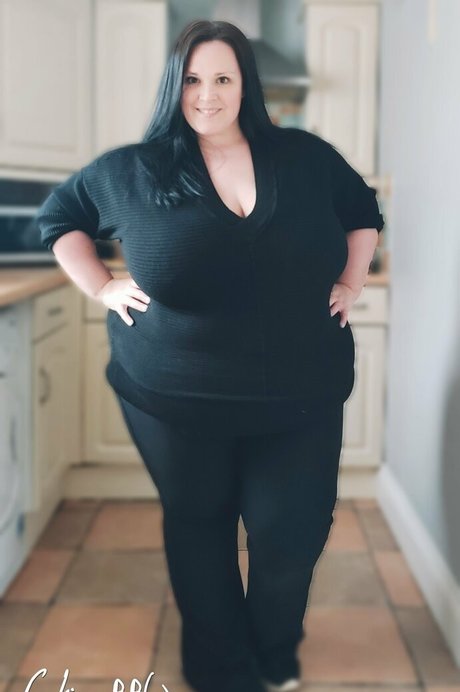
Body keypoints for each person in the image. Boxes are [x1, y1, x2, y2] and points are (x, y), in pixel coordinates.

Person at [36, 19, 384, 692]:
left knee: (291, 535)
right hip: (173, 399)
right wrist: (102, 287)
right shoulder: (134, 170)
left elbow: (362, 210)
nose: (207, 94)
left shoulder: (306, 158)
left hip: (300, 394)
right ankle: (220, 670)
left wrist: (351, 281)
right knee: (200, 529)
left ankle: (273, 654)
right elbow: (61, 218)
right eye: (193, 79)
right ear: (175, 86)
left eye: (223, 78)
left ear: (245, 84)